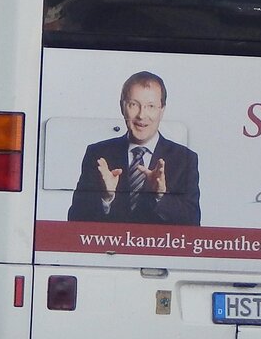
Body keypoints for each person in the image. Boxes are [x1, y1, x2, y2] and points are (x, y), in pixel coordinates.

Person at [68, 71, 200, 225]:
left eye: (150, 106)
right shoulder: (97, 154)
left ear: (162, 110)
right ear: (122, 107)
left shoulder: (185, 159)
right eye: (133, 105)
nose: (141, 115)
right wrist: (106, 197)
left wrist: (161, 196)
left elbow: (193, 224)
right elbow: (74, 221)